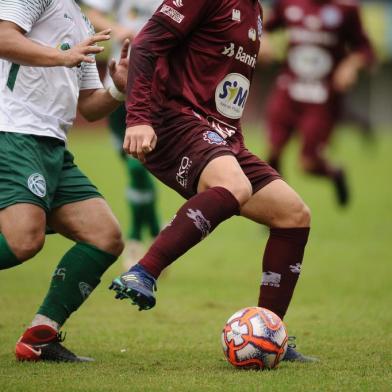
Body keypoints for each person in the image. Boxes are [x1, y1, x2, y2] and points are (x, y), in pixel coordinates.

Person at [110, 0, 315, 362]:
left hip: (222, 135)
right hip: (174, 121)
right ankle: (143, 271)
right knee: (235, 187)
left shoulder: (255, 10)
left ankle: (269, 332)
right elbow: (145, 44)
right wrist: (138, 115)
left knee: (293, 214)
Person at [0, 0, 129, 362]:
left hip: (52, 145)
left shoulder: (81, 19)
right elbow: (2, 37)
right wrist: (62, 56)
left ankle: (40, 337)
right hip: (13, 133)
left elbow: (88, 105)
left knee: (105, 236)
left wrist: (119, 89)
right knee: (24, 240)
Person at [263, 0, 375, 206]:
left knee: (307, 164)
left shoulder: (347, 9)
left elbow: (366, 49)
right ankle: (277, 207)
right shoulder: (289, 3)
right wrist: (264, 41)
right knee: (273, 150)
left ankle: (335, 173)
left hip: (322, 97)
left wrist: (350, 65)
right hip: (288, 90)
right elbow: (262, 25)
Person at [82, 0, 162, 270]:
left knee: (137, 167)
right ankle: (155, 228)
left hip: (157, 93)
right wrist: (118, 29)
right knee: (135, 170)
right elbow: (92, 13)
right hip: (117, 89)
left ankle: (135, 241)